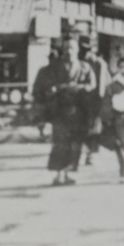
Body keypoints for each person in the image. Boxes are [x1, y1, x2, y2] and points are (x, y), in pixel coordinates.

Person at [43, 44, 97, 186]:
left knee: (75, 144)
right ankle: (59, 174)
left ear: (77, 50)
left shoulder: (85, 67)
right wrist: (60, 88)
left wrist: (79, 87)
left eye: (73, 48)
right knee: (60, 143)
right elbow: (48, 86)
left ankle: (67, 172)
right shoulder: (54, 67)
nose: (69, 51)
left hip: (78, 112)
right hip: (60, 112)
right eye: (67, 48)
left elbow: (92, 85)